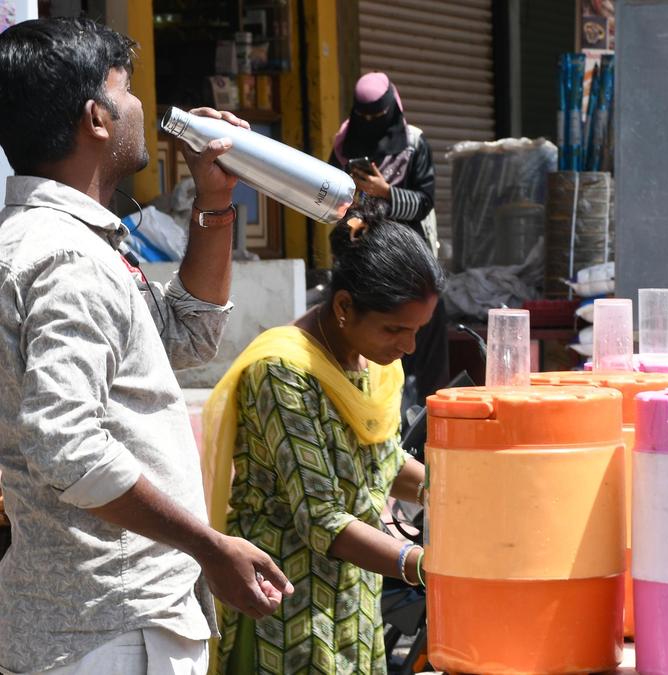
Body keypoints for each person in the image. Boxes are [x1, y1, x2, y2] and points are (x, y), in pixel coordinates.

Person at [0, 17, 292, 674]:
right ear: (96, 118)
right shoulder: (66, 259)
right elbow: (66, 445)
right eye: (127, 89)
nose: (146, 109)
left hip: (96, 622)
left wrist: (215, 204)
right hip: (109, 628)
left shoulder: (63, 243)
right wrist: (209, 544)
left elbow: (182, 338)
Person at [202, 200, 444, 673]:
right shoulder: (283, 372)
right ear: (344, 308)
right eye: (395, 329)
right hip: (287, 610)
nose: (409, 347)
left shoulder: (367, 363)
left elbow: (384, 462)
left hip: (354, 602)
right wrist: (426, 566)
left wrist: (459, 489)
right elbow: (322, 520)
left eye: (417, 331)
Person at [329, 72, 448, 409]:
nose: (371, 125)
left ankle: (427, 429)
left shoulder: (413, 144)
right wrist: (353, 205)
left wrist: (384, 193)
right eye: (364, 118)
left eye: (377, 117)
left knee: (423, 362)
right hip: (365, 269)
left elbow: (424, 202)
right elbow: (327, 200)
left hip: (413, 266)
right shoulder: (343, 145)